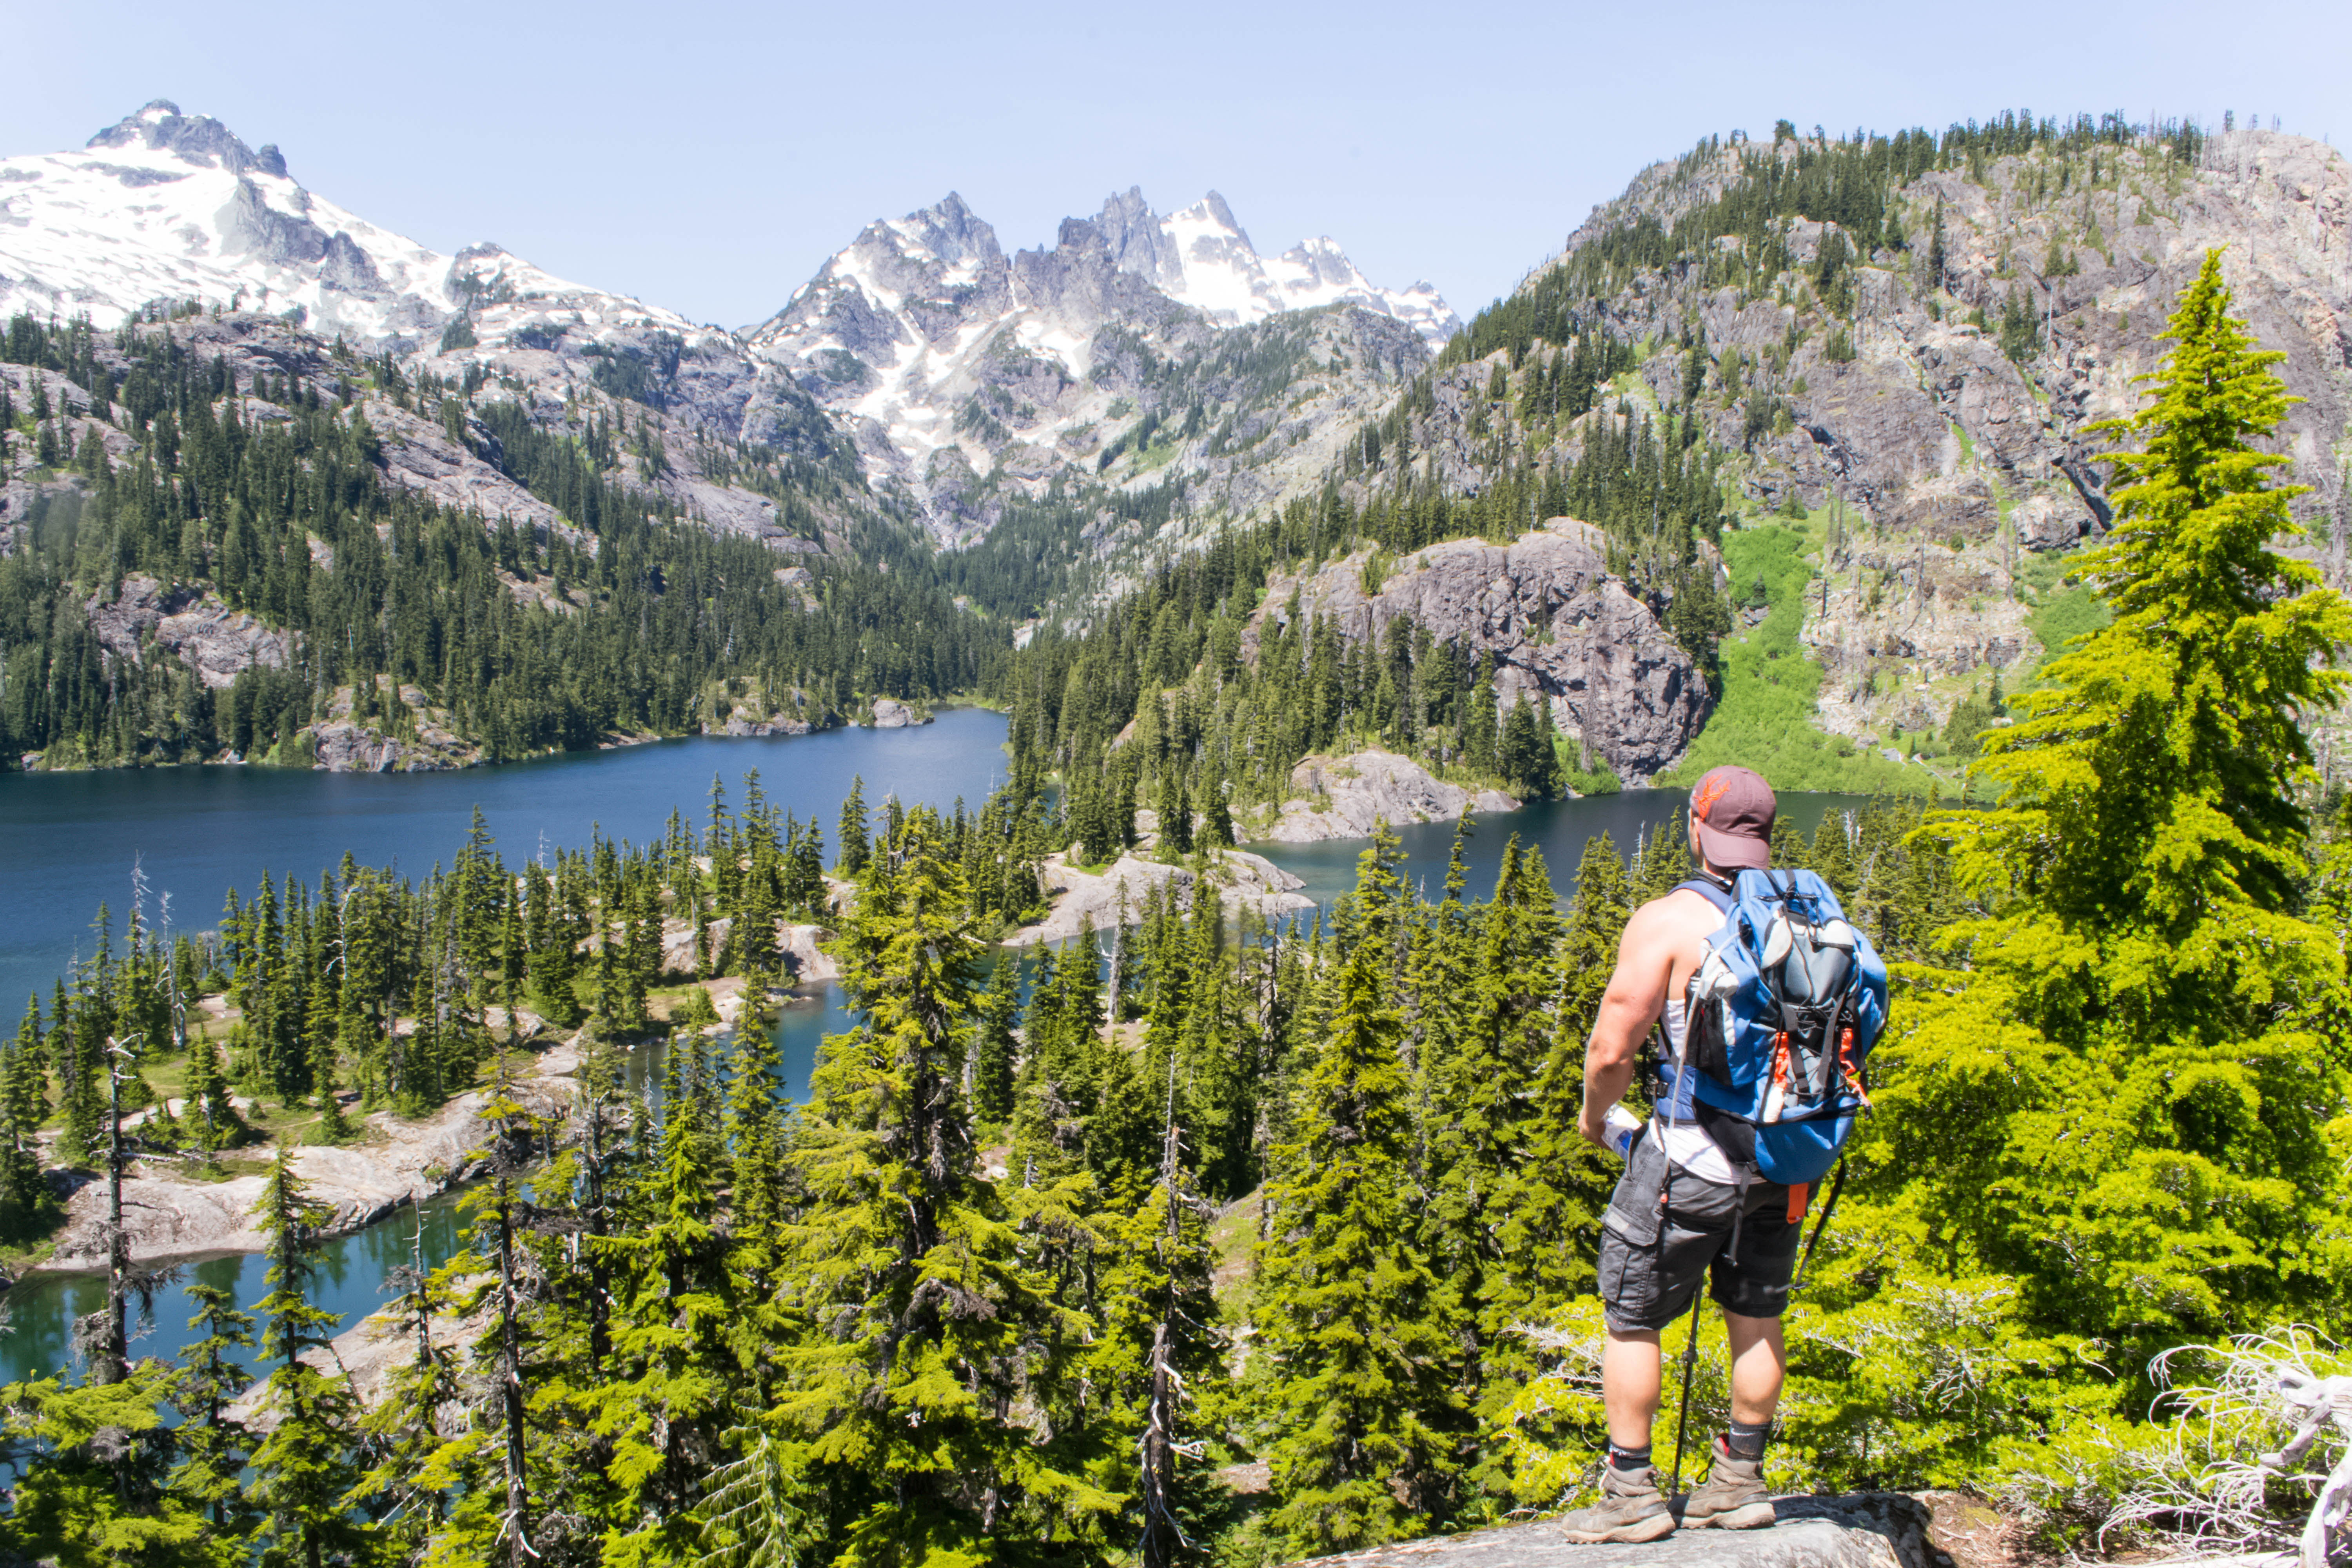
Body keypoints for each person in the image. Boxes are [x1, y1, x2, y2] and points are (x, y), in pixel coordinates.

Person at [1557, 765, 1795, 1542]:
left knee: (1632, 1317)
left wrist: (1596, 1118)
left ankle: (1631, 1492)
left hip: (1688, 1159)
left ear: (1698, 827)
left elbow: (1611, 1048)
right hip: (1782, 1162)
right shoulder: (1805, 914)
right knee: (1756, 1313)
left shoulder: (1668, 920)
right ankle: (1740, 1482)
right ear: (1765, 835)